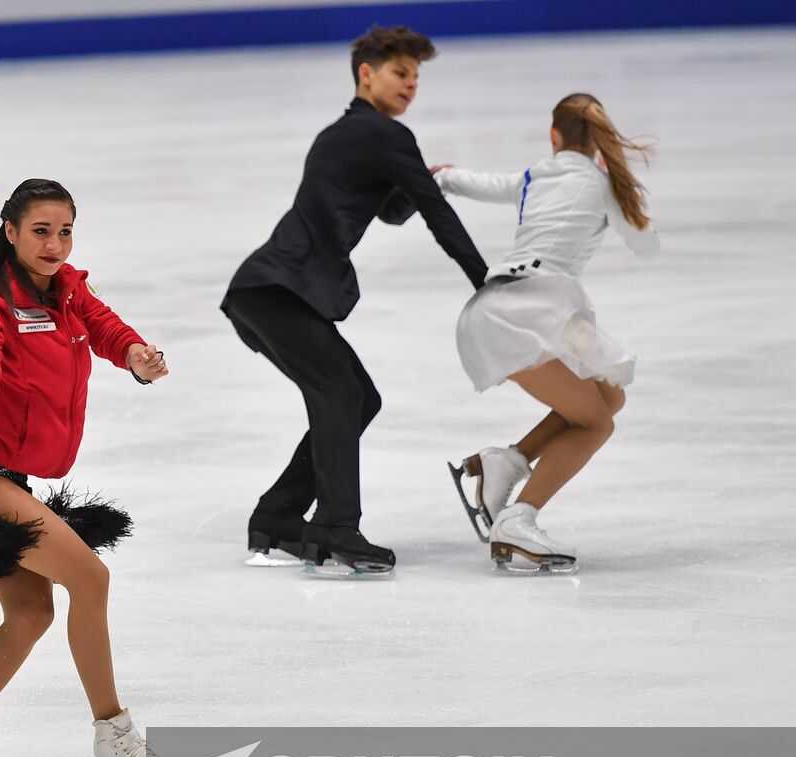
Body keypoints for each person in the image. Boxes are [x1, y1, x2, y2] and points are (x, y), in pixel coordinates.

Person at [0, 178, 175, 757]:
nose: (54, 243)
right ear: (9, 232)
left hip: (9, 476)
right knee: (90, 579)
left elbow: (109, 331)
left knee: (31, 614)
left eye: (64, 231)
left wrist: (137, 355)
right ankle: (114, 736)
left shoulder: (69, 292)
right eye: (40, 231)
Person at [222, 24, 488, 578]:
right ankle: (338, 527)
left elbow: (387, 208)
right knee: (342, 392)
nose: (411, 85)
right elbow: (437, 216)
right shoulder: (385, 137)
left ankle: (277, 517)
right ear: (366, 74)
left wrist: (416, 185)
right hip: (280, 291)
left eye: (415, 76)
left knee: (356, 398)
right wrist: (484, 280)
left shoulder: (342, 133)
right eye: (400, 73)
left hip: (268, 291)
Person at [439, 93, 659, 572]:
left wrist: (443, 176)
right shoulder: (602, 185)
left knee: (608, 399)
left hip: (503, 307)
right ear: (597, 142)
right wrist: (624, 192)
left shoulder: (536, 174)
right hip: (525, 315)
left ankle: (508, 462)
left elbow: (483, 183)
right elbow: (647, 246)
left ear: (554, 136)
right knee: (597, 422)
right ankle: (519, 520)